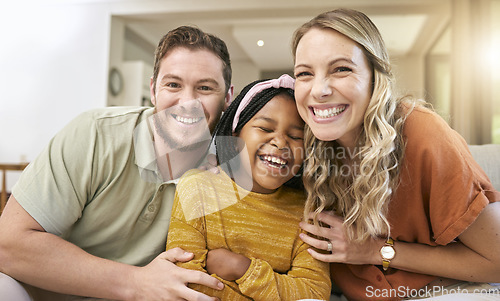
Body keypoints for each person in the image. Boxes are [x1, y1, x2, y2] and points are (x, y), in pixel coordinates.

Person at [0, 25, 234, 300]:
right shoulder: (95, 134)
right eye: (173, 84)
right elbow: (8, 244)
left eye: (205, 88)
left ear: (227, 98)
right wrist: (137, 283)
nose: (187, 102)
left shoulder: (231, 167)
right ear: (153, 90)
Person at [291, 8, 500, 301]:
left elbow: (498, 260)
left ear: (375, 78)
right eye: (304, 74)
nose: (319, 89)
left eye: (341, 69)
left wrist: (373, 251)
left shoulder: (420, 132)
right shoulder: (298, 145)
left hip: (449, 291)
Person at [165, 74, 331, 300]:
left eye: (295, 136)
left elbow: (313, 293)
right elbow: (185, 282)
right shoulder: (197, 188)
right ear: (236, 134)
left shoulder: (308, 211)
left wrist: (242, 268)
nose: (281, 143)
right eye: (265, 128)